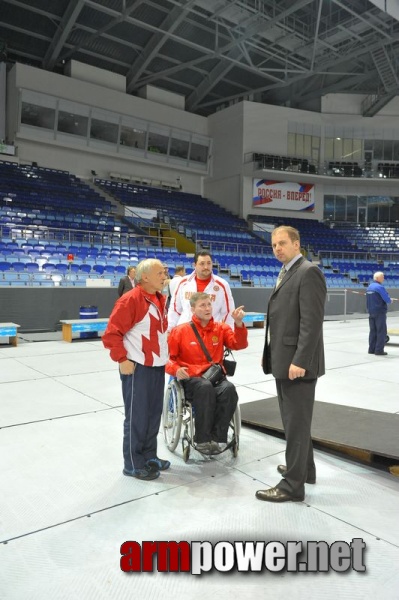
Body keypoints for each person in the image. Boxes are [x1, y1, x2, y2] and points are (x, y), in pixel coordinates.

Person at [256, 225, 326, 503]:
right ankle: (304, 469)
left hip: (297, 364)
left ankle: (292, 486)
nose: (277, 249)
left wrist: (300, 360)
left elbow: (311, 323)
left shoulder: (308, 272)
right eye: (274, 245)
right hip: (282, 360)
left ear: (297, 244)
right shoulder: (286, 271)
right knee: (295, 421)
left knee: (295, 424)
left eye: (282, 243)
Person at [102, 259, 169, 481]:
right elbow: (112, 333)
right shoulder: (130, 300)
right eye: (160, 272)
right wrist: (121, 358)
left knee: (152, 415)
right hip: (137, 368)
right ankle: (132, 463)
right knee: (137, 417)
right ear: (145, 277)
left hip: (157, 367)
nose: (164, 275)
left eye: (165, 272)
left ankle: (149, 455)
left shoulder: (159, 299)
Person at [166, 292, 247, 455]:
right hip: (192, 380)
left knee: (229, 389)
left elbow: (239, 344)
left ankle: (218, 437)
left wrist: (238, 323)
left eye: (209, 304)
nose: (207, 308)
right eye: (202, 305)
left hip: (215, 378)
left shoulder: (221, 328)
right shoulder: (180, 331)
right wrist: (176, 370)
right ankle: (202, 439)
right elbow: (168, 360)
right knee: (204, 388)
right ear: (193, 308)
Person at [167, 251, 235, 331]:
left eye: (209, 263)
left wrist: (229, 334)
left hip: (211, 332)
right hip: (187, 332)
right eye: (202, 264)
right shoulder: (183, 283)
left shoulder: (222, 285)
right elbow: (175, 310)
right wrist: (169, 330)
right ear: (194, 265)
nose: (206, 267)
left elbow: (228, 312)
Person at [366, 271, 392, 356]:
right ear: (377, 278)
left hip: (371, 311)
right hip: (379, 312)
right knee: (381, 331)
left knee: (373, 331)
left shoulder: (370, 287)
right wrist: (390, 300)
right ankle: (379, 350)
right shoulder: (380, 287)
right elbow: (387, 299)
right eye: (382, 277)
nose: (383, 278)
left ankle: (371, 349)